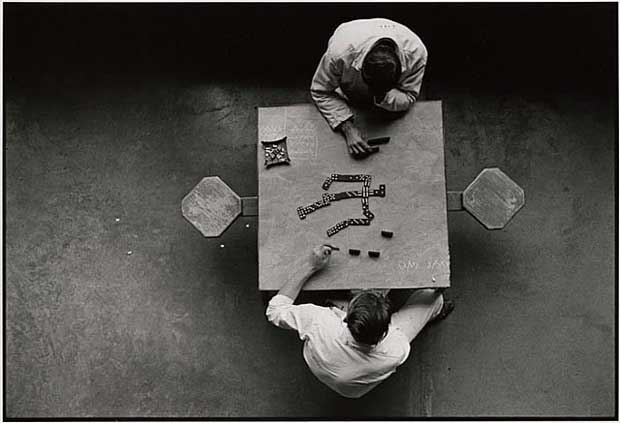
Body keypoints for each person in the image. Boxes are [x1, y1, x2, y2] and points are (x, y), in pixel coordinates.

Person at [265, 245, 454, 398]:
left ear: (345, 314)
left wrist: (310, 266)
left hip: (325, 367)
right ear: (387, 329)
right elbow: (396, 337)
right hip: (353, 386)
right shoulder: (396, 349)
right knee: (432, 298)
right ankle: (435, 311)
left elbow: (274, 311)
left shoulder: (320, 322)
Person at [310, 18, 428, 158]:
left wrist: (384, 97)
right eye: (370, 87)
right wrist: (348, 128)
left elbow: (409, 96)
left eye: (381, 89)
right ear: (361, 69)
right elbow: (320, 90)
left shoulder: (417, 54)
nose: (371, 93)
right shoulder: (338, 54)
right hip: (350, 34)